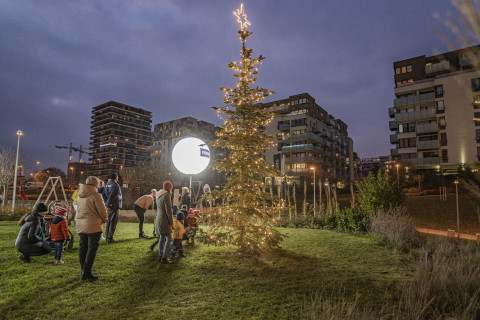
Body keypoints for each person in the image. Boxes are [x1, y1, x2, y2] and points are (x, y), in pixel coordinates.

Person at [76, 176, 108, 281]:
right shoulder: (96, 195)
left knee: (83, 248)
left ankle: (83, 271)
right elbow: (102, 211)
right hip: (93, 225)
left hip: (81, 225)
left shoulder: (80, 196)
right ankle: (87, 273)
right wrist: (104, 220)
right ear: (96, 184)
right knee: (91, 250)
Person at [155, 181, 174, 264]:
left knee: (162, 237)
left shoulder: (159, 194)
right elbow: (168, 210)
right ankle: (164, 257)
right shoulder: (166, 195)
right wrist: (171, 221)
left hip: (159, 218)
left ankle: (160, 255)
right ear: (169, 187)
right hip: (164, 219)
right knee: (168, 238)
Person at [102, 172, 122, 244]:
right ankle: (110, 239)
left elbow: (104, 194)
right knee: (113, 222)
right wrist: (108, 204)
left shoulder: (107, 184)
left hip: (109, 205)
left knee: (109, 222)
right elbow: (113, 195)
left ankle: (107, 237)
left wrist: (106, 204)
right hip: (114, 205)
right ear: (115, 177)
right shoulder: (115, 184)